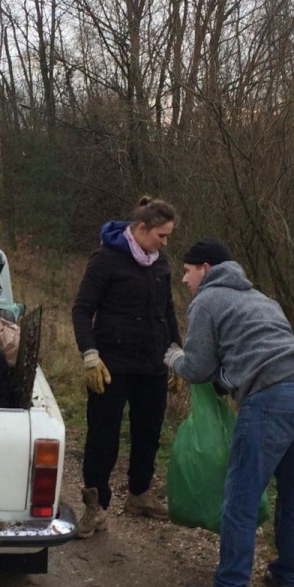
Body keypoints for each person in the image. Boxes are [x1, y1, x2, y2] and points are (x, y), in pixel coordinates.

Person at [164, 238, 294, 587]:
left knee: (241, 492)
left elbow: (198, 367)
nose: (184, 280)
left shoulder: (207, 299)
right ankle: (288, 577)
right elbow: (250, 352)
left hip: (271, 395)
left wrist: (171, 356)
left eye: (186, 272)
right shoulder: (262, 299)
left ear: (205, 269)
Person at [71, 197, 181, 539]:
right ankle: (95, 505)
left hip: (152, 364)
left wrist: (177, 353)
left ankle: (139, 494)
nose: (164, 243)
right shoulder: (106, 260)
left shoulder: (160, 263)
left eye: (167, 238)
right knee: (103, 435)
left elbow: (168, 311)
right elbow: (81, 309)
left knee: (148, 431)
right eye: (160, 236)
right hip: (111, 365)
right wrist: (90, 353)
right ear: (142, 228)